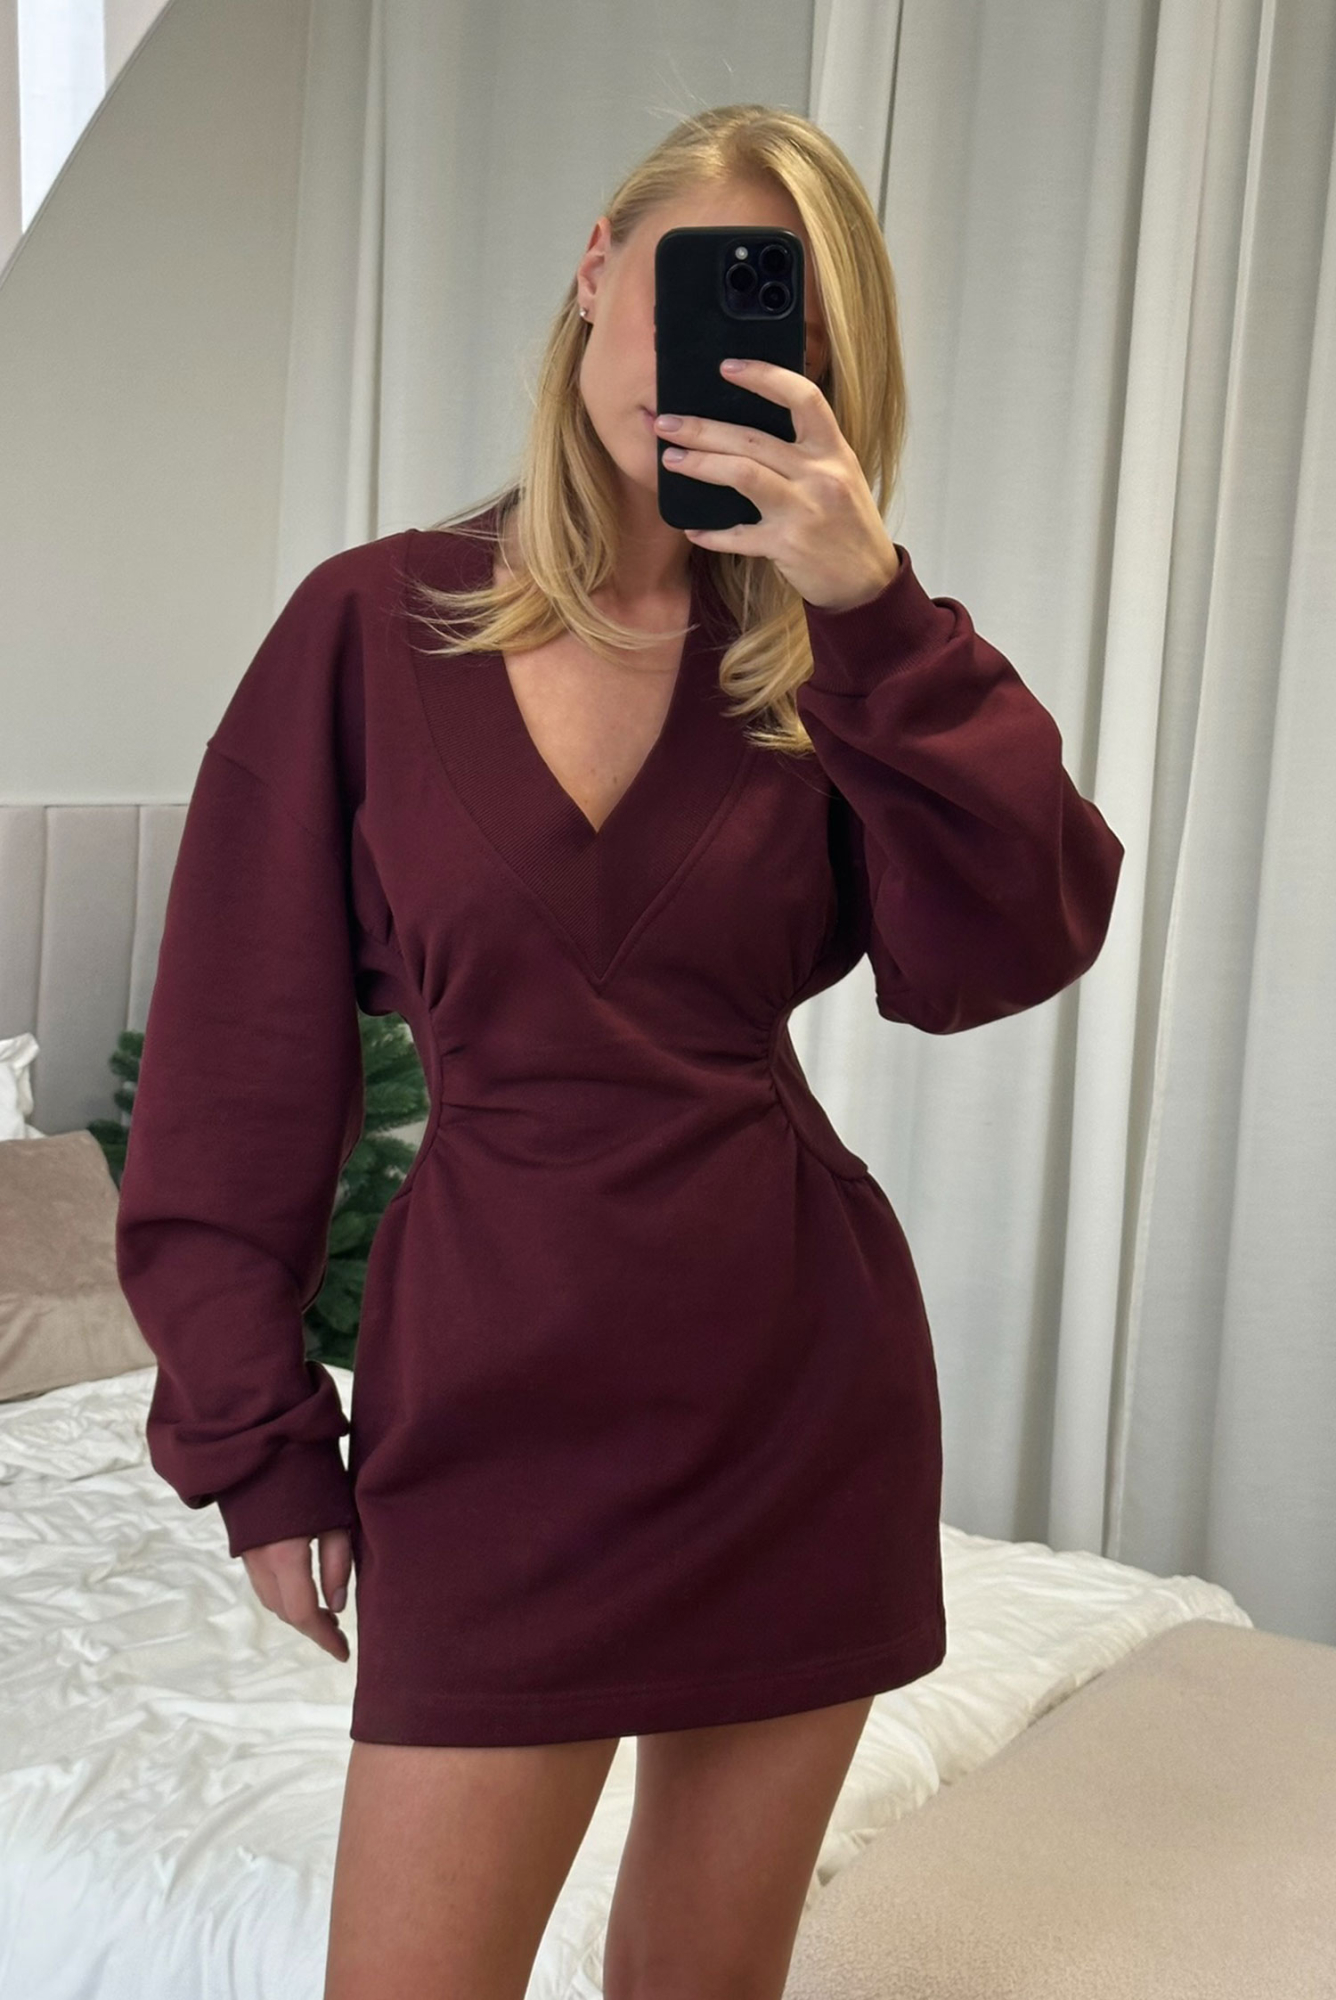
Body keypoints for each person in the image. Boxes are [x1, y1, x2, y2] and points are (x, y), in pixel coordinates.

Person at [115, 104, 1125, 2000]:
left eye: (781, 326)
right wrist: (258, 1444)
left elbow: (1012, 942)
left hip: (793, 1404)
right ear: (596, 269)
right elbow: (237, 1075)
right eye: (692, 285)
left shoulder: (833, 658)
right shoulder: (368, 629)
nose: (713, 355)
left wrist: (873, 607)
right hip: (489, 1413)